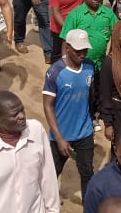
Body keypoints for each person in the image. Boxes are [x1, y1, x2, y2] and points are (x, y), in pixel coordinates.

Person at [0, 91, 60, 213]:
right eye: (14, 114)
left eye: (22, 110)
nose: (21, 116)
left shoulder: (36, 130)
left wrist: (53, 210)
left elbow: (48, 176)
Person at [43, 28, 96, 200]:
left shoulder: (90, 67)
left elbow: (91, 96)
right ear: (67, 47)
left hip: (84, 132)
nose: (82, 53)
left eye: (85, 49)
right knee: (52, 173)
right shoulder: (55, 72)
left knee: (87, 173)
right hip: (60, 135)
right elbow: (48, 105)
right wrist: (59, 138)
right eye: (78, 49)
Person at [62, 0, 118, 69]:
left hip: (102, 63)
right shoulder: (74, 14)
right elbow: (65, 40)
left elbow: (117, 33)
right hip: (81, 64)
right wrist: (66, 63)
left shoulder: (108, 13)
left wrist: (111, 54)